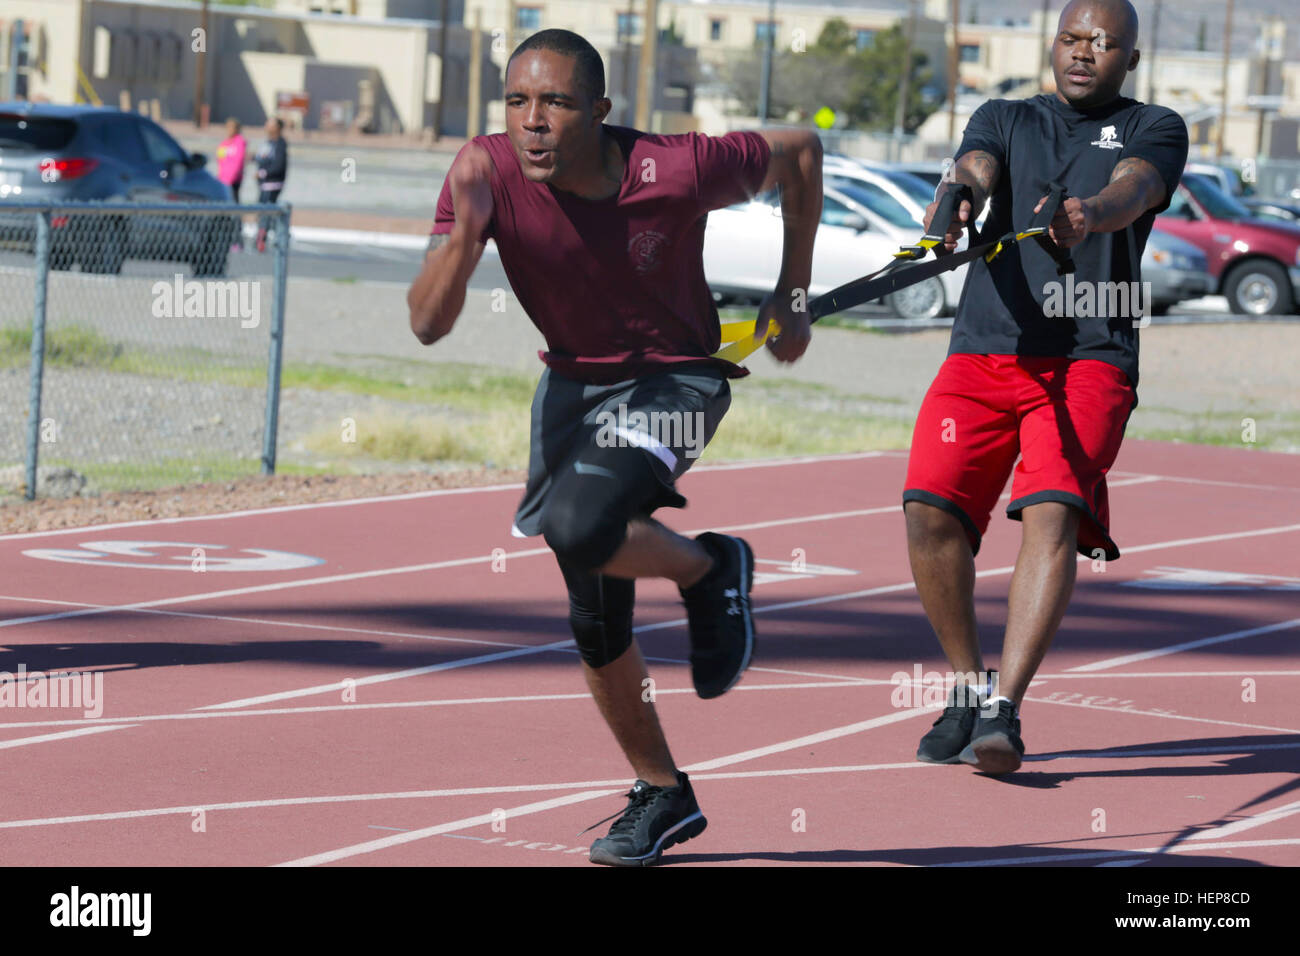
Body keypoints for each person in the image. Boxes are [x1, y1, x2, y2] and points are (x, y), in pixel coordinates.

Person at [406, 29, 822, 865]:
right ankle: (663, 792)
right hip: (573, 390)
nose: (533, 123)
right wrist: (465, 236)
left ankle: (709, 571)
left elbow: (800, 152)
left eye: (556, 103)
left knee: (579, 518)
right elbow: (425, 323)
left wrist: (794, 292)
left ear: (597, 110)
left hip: (677, 381)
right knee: (595, 619)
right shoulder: (483, 171)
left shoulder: (679, 167)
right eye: (518, 102)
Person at [903, 0, 1188, 774]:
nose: (1084, 52)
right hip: (986, 353)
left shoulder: (1155, 126)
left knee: (1053, 507)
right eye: (1070, 38)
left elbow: (1133, 188)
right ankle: (967, 688)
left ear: (1129, 58)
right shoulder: (1003, 114)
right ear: (1051, 45)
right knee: (929, 511)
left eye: (1103, 43)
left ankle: (1004, 711)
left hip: (1091, 358)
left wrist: (1089, 215)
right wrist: (957, 196)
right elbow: (974, 165)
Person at [253, 117, 288, 253]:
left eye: (270, 125)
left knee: (266, 213)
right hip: (263, 185)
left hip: (272, 184)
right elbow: (263, 158)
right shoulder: (268, 143)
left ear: (277, 128)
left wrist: (263, 173)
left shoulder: (280, 144)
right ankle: (274, 236)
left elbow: (279, 166)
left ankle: (262, 240)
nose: (267, 126)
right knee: (264, 212)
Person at [215, 118, 247, 251]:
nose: (229, 130)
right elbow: (221, 161)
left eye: (232, 127)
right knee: (224, 212)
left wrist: (230, 179)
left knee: (235, 211)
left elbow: (238, 163)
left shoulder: (239, 142)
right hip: (223, 182)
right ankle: (225, 238)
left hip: (233, 183)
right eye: (227, 127)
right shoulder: (224, 143)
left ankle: (237, 240)